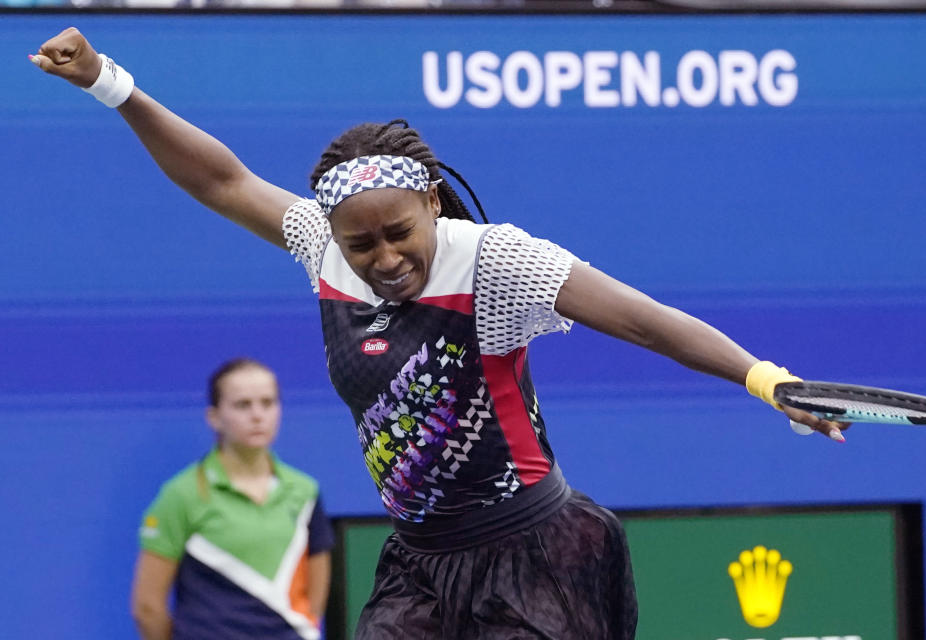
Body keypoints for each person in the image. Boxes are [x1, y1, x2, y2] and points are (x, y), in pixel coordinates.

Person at [32, 28, 846, 640]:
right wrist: (109, 83)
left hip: (535, 556)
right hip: (419, 564)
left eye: (399, 232)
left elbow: (646, 321)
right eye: (363, 243)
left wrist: (763, 379)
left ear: (430, 201)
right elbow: (222, 178)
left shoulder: (495, 262)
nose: (385, 257)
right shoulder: (321, 246)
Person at [130, 358, 335, 640]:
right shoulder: (181, 495)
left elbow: (315, 597)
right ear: (214, 416)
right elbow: (148, 607)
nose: (257, 415)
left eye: (268, 402)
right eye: (242, 405)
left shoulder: (305, 491)